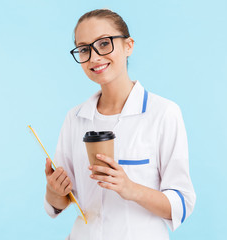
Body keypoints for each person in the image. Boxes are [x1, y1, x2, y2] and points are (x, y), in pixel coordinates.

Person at [44, 9, 196, 240]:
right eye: (84, 49)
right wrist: (54, 190)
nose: (94, 57)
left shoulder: (163, 113)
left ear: (128, 46)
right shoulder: (74, 118)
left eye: (104, 44)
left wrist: (130, 188)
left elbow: (181, 204)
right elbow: (62, 202)